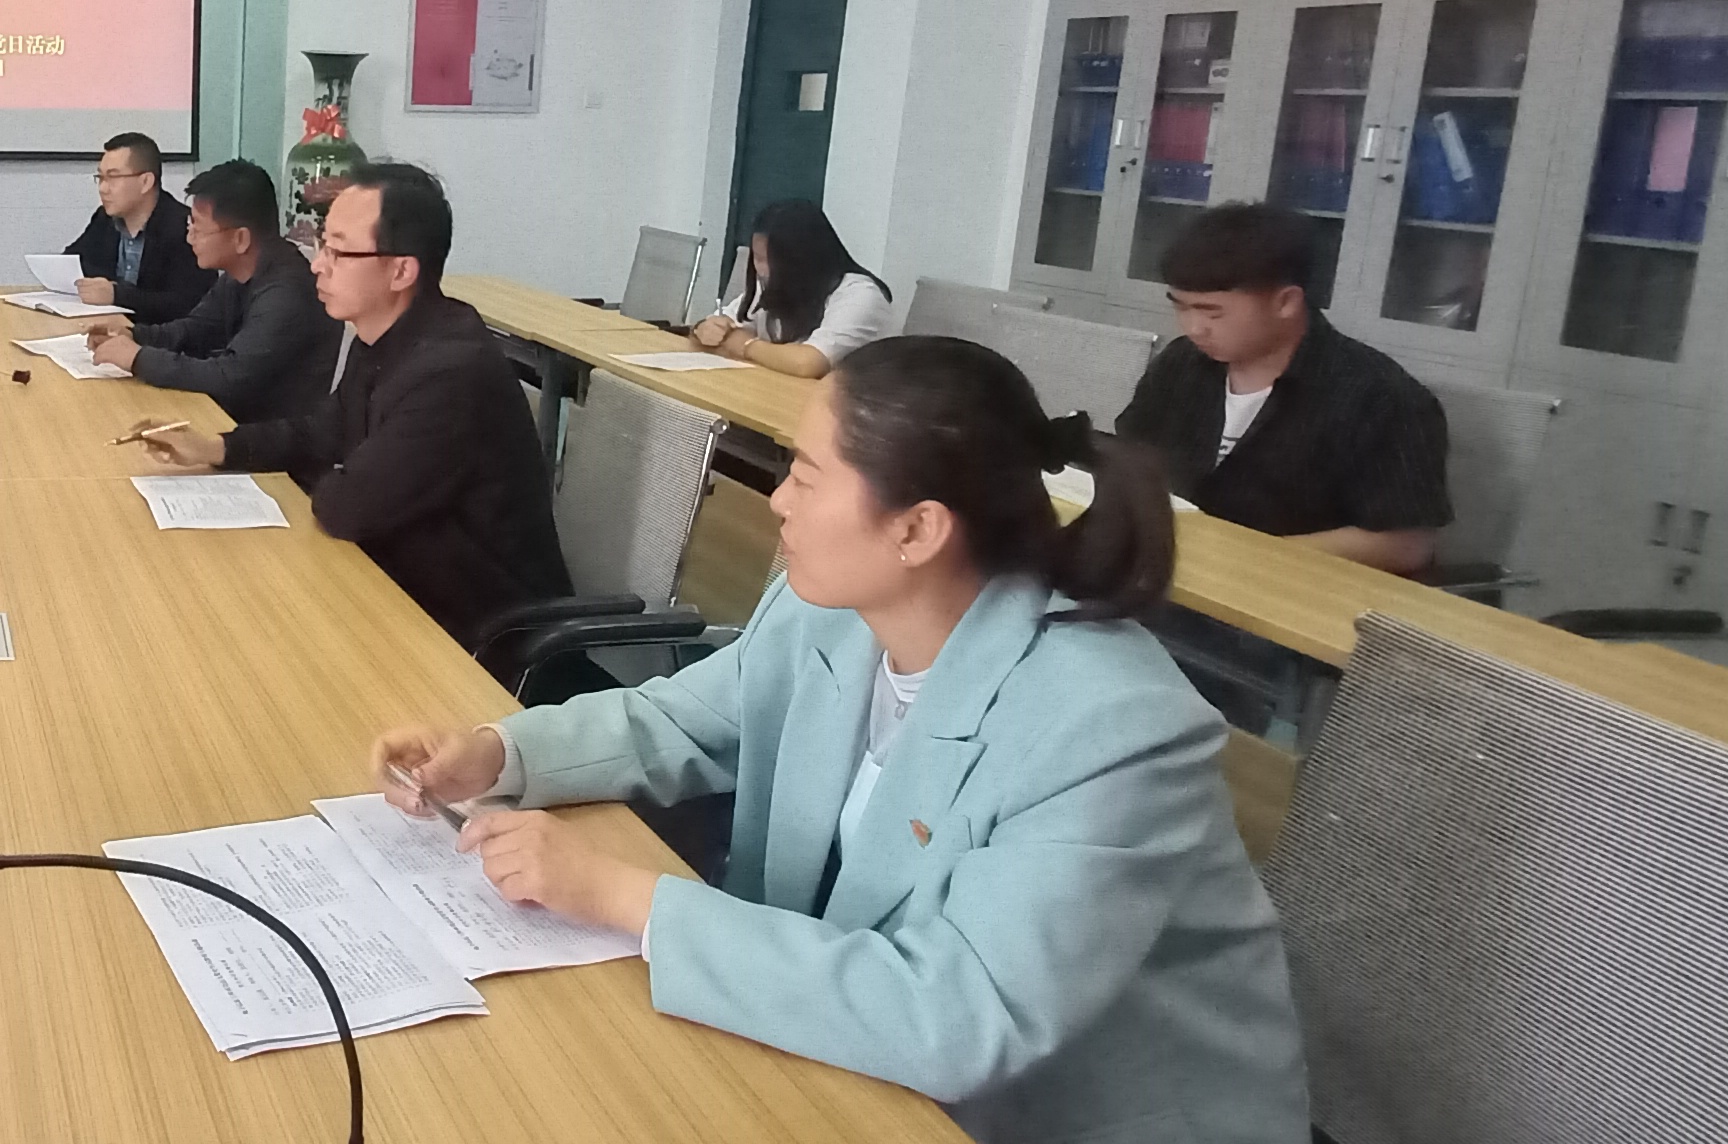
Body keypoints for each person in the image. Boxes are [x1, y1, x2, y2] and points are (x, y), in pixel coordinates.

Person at [373, 336, 1306, 1144]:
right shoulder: (827, 609)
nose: (776, 501)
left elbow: (964, 1014)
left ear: (918, 529)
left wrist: (623, 895)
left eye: (807, 477)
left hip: (1053, 1117)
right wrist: (499, 755)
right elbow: (682, 721)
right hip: (865, 1059)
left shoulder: (1108, 725)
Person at [136, 162, 568, 637]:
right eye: (323, 245)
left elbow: (347, 507)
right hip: (397, 592)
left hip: (483, 637)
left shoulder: (451, 372)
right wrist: (215, 448)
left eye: (338, 252)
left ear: (401, 270)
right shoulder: (385, 335)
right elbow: (321, 433)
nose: (317, 265)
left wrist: (337, 472)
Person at [1115, 202, 1449, 574]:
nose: (1194, 328)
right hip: (1170, 573)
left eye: (1212, 312)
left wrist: (1241, 557)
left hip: (1296, 588)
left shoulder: (1381, 397)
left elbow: (1405, 544)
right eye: (1182, 308)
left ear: (1286, 302)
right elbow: (1130, 458)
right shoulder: (1181, 364)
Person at [82, 159, 331, 424]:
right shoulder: (239, 272)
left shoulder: (286, 293)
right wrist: (132, 335)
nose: (190, 237)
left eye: (198, 229)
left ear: (240, 239)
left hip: (266, 435)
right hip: (233, 418)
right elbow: (194, 330)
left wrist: (138, 358)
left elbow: (228, 376)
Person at [690, 198, 894, 378]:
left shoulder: (861, 295)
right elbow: (726, 323)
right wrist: (706, 328)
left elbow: (808, 363)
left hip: (853, 405)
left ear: (804, 259)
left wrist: (745, 344)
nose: (763, 270)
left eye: (772, 260)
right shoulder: (774, 286)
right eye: (758, 258)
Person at [61, 132, 206, 322]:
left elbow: (187, 304)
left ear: (145, 182)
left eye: (113, 177)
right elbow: (73, 261)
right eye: (100, 177)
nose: (103, 188)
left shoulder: (185, 227)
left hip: (159, 336)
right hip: (108, 327)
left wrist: (117, 295)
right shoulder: (104, 219)